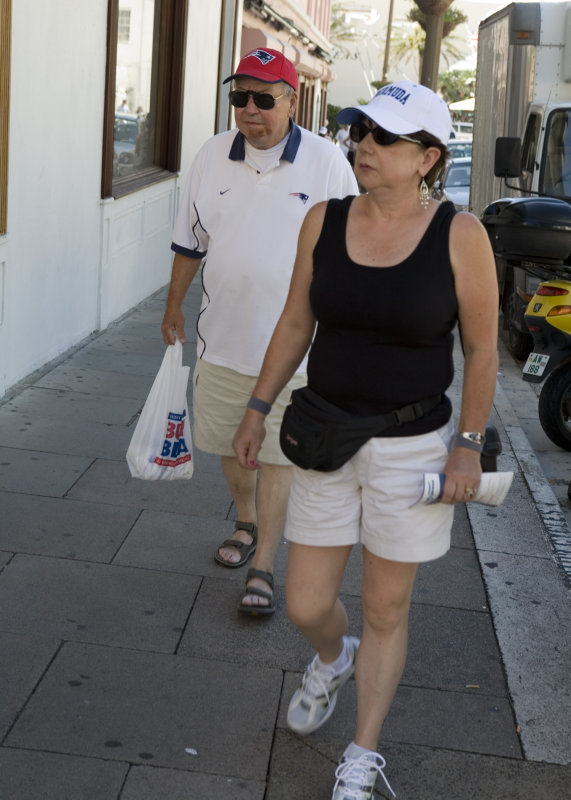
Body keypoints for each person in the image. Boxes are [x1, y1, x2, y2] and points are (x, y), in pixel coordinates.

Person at [232, 80, 499, 798]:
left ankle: (361, 750)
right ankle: (330, 656)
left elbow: (480, 350)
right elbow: (296, 323)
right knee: (304, 602)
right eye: (360, 132)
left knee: (385, 606)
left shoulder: (461, 234)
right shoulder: (324, 219)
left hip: (413, 446)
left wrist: (467, 443)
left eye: (383, 138)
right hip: (325, 433)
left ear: (427, 159)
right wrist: (257, 406)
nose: (363, 146)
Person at [161, 48, 358, 616]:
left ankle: (265, 561)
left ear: (291, 102)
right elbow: (188, 241)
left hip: (298, 351)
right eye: (239, 97)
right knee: (227, 443)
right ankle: (245, 521)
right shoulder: (210, 155)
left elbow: (350, 248)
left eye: (263, 98)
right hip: (221, 338)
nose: (249, 109)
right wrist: (174, 304)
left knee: (277, 454)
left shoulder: (325, 163)